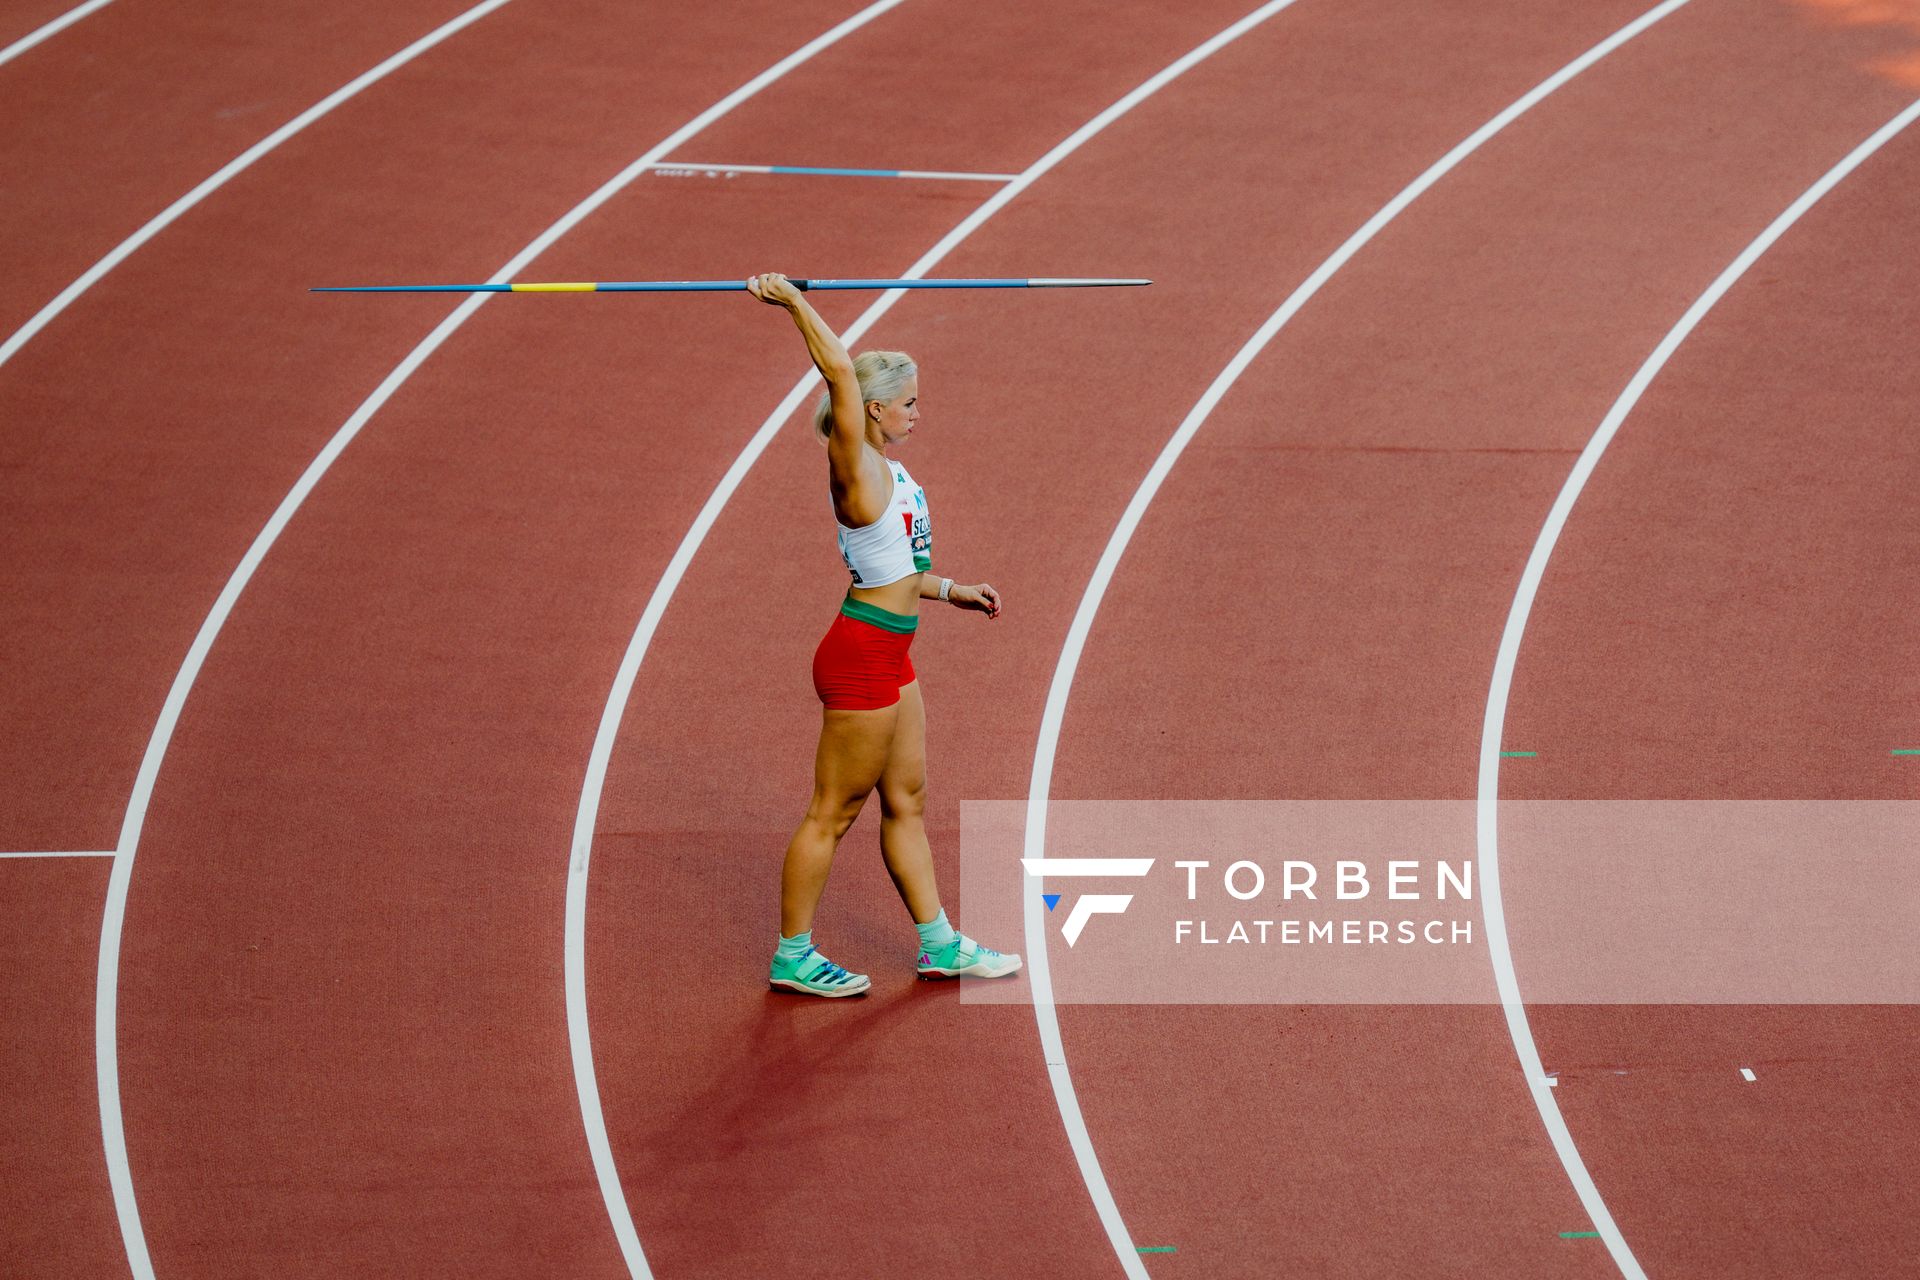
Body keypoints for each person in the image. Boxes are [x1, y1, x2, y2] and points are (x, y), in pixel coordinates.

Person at [747, 272, 1022, 997]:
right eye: (908, 403)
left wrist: (950, 589)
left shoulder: (897, 475)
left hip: (894, 650)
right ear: (871, 409)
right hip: (861, 654)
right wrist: (793, 301)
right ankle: (792, 956)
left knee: (907, 800)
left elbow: (899, 569)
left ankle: (939, 946)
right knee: (832, 814)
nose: (917, 414)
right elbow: (835, 366)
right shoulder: (856, 467)